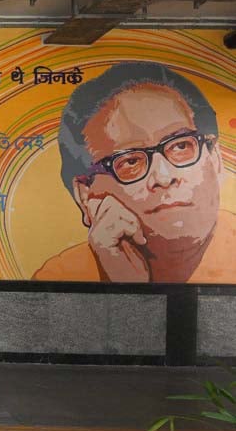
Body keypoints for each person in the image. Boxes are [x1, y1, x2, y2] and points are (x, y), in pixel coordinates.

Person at [34, 61, 233, 283]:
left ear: (215, 161)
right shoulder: (59, 277)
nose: (164, 177)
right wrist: (122, 285)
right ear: (86, 196)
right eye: (130, 161)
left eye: (181, 146)